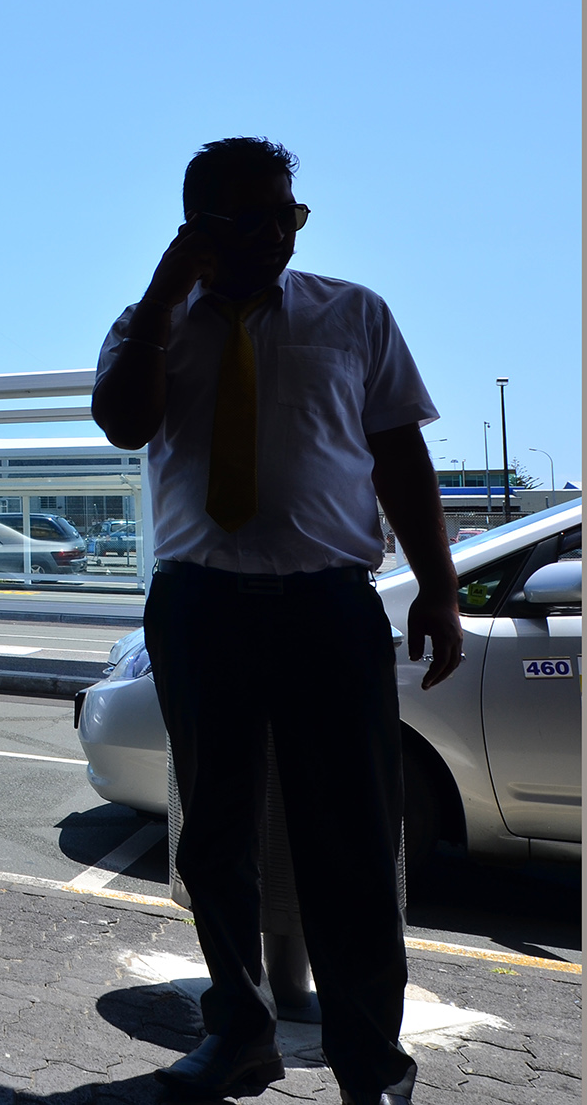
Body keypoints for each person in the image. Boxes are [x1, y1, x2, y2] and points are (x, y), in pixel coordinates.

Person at [92, 138, 458, 1105]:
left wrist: (440, 584)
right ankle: (241, 1031)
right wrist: (166, 296)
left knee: (353, 838)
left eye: (289, 214)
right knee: (212, 835)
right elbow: (125, 422)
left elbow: (399, 459)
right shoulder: (149, 325)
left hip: (328, 606)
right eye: (252, 217)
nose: (278, 235)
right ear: (200, 225)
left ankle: (373, 1064)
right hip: (202, 605)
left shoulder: (354, 314)